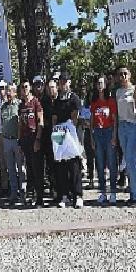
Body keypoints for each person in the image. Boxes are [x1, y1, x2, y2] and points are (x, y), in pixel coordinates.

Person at [52, 73, 84, 209]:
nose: (63, 84)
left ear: (69, 82)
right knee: (61, 165)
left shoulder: (74, 98)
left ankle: (78, 195)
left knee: (74, 164)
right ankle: (64, 195)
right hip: (58, 132)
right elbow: (54, 117)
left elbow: (75, 117)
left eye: (65, 81)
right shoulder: (57, 100)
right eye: (61, 82)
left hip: (70, 131)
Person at [115, 66, 136, 206]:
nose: (123, 76)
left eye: (125, 74)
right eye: (120, 74)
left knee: (132, 161)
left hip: (132, 126)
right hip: (122, 126)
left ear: (130, 75)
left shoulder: (135, 90)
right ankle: (133, 192)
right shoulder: (118, 92)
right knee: (127, 161)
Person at [89, 75, 119, 206]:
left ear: (106, 85)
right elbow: (91, 121)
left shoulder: (110, 101)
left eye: (102, 83)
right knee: (100, 164)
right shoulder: (94, 102)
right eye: (98, 83)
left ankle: (113, 191)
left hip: (108, 132)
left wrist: (114, 136)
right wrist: (91, 137)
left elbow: (115, 119)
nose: (99, 85)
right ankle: (102, 191)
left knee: (112, 163)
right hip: (98, 133)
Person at [19, 79, 44, 207]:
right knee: (29, 168)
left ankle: (40, 198)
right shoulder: (21, 105)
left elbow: (40, 122)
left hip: (35, 137)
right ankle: (31, 194)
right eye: (22, 87)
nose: (25, 89)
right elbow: (20, 123)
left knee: (37, 169)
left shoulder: (36, 103)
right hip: (25, 139)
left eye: (26, 87)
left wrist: (38, 139)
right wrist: (20, 140)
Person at [0, 84, 21, 203]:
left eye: (10, 91)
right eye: (7, 91)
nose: (8, 93)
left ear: (15, 93)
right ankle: (13, 193)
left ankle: (22, 193)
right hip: (6, 140)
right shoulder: (3, 107)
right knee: (10, 169)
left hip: (17, 140)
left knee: (20, 168)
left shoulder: (19, 105)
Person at [41, 79, 58, 198]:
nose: (51, 89)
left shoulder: (61, 100)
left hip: (61, 136)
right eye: (49, 87)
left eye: (53, 87)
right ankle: (53, 188)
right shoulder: (43, 101)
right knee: (50, 164)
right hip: (47, 136)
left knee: (61, 163)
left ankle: (63, 190)